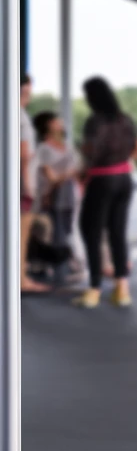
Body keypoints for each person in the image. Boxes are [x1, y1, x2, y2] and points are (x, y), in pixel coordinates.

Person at [74, 77, 137, 309]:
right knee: (117, 233)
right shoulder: (126, 120)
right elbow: (134, 148)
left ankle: (93, 289)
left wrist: (82, 175)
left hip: (102, 179)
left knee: (91, 231)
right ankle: (122, 290)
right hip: (124, 179)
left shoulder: (95, 121)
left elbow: (91, 152)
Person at [32, 111, 83, 287]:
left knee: (67, 231)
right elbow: (51, 177)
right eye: (56, 120)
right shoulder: (44, 148)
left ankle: (64, 266)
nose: (61, 122)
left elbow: (75, 172)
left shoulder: (66, 146)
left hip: (70, 194)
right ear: (48, 125)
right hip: (53, 196)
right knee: (57, 233)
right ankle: (60, 271)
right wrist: (70, 173)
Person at [19, 73, 51, 293]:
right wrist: (27, 186)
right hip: (21, 185)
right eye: (26, 92)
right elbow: (23, 156)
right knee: (21, 236)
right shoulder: (20, 117)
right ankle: (21, 280)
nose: (27, 98)